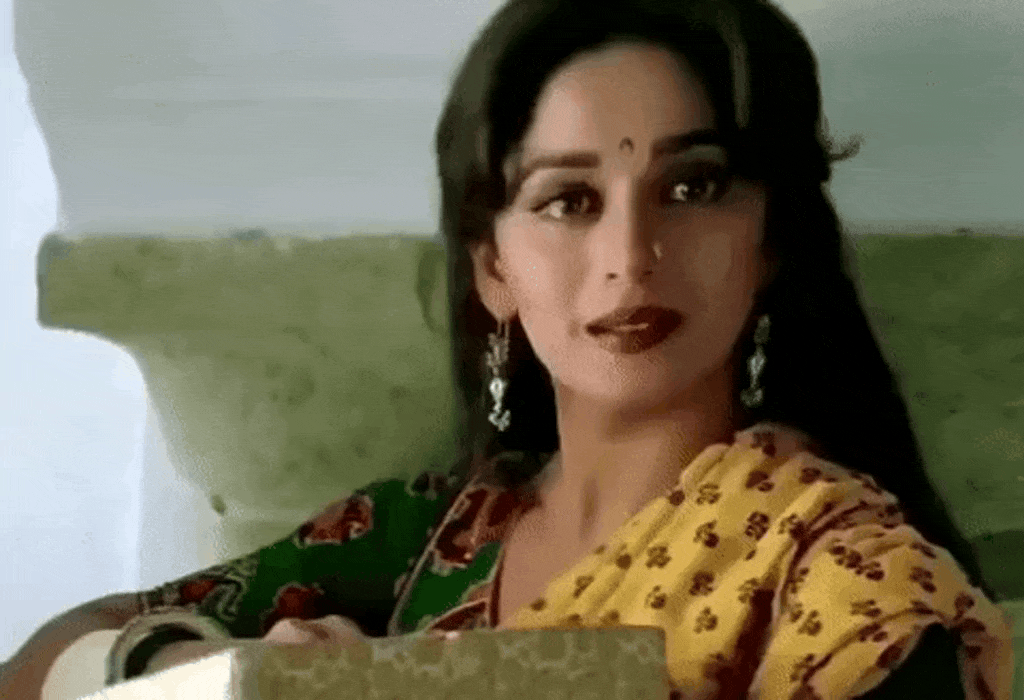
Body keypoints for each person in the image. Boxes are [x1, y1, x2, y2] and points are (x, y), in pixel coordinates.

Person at [1, 0, 1015, 698]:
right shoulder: (427, 532)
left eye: (693, 187)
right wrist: (185, 663)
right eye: (568, 200)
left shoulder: (839, 578)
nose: (631, 256)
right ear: (494, 267)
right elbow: (35, 668)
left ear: (770, 240)